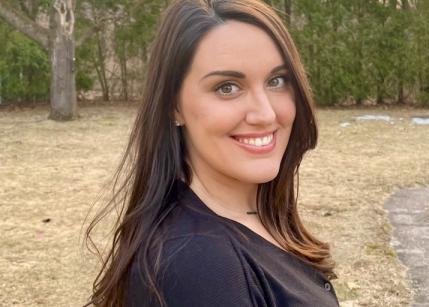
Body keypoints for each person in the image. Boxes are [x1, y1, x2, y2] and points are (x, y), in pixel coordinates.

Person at [85, 0, 338, 306]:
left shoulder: (259, 216)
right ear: (173, 106)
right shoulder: (198, 266)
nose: (266, 114)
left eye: (276, 81)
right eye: (227, 87)